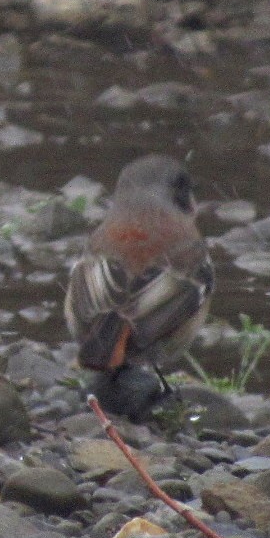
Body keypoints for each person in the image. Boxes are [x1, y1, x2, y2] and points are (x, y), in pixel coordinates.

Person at [64, 154, 214, 394]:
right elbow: (183, 297)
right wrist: (141, 327)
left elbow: (87, 286)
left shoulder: (105, 235)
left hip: (98, 319)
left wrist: (100, 326)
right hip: (154, 323)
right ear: (180, 195)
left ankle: (111, 364)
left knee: (111, 352)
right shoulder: (188, 245)